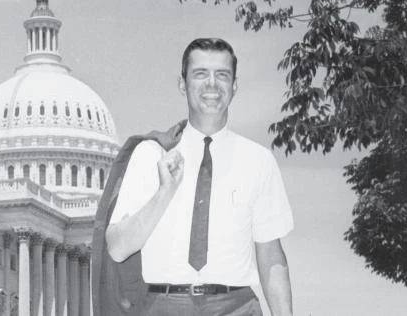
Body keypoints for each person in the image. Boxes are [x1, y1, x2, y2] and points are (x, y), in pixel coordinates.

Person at [94, 38, 294, 316]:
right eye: (200, 73)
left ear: (234, 86)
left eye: (222, 75)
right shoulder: (150, 154)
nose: (212, 83)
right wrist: (163, 193)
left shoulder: (259, 162)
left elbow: (271, 256)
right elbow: (117, 248)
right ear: (182, 83)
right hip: (163, 306)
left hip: (237, 307)